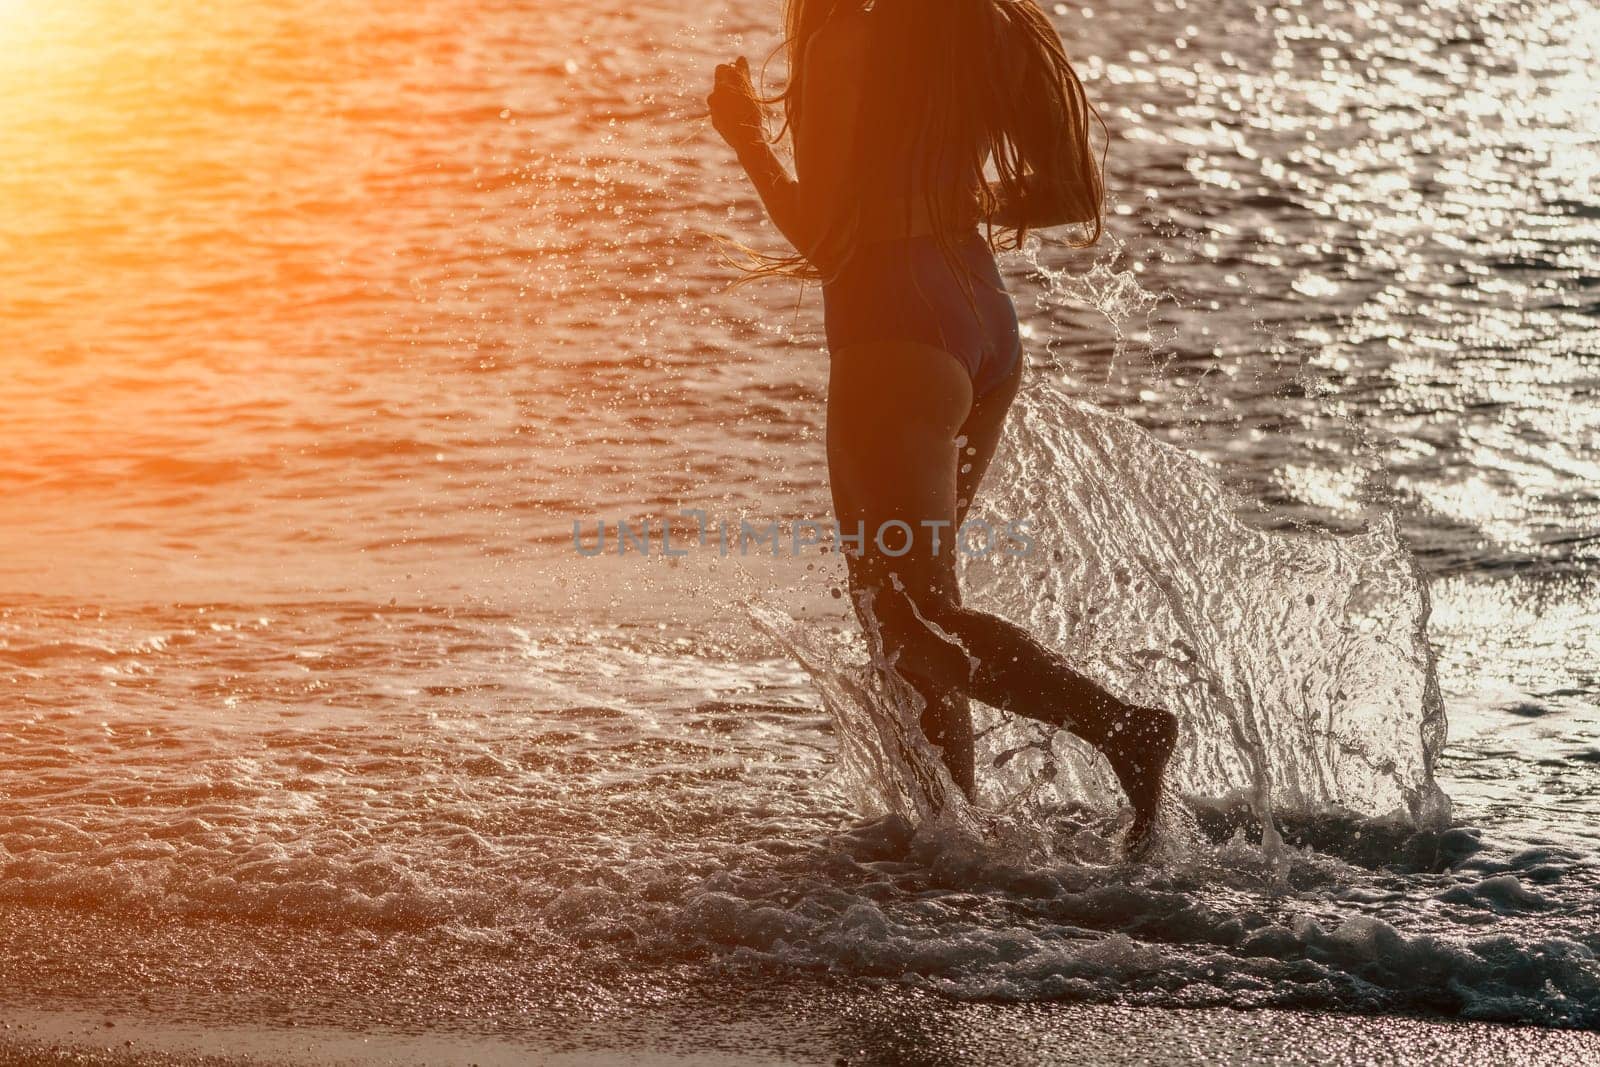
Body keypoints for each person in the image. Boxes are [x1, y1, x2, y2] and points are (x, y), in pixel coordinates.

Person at [707, 0, 1177, 847]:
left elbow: (821, 237)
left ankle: (1121, 730)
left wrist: (744, 137)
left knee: (906, 612)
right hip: (981, 320)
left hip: (894, 331)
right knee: (922, 605)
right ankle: (951, 838)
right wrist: (936, 197)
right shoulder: (982, 25)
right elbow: (1072, 189)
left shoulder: (845, 35)